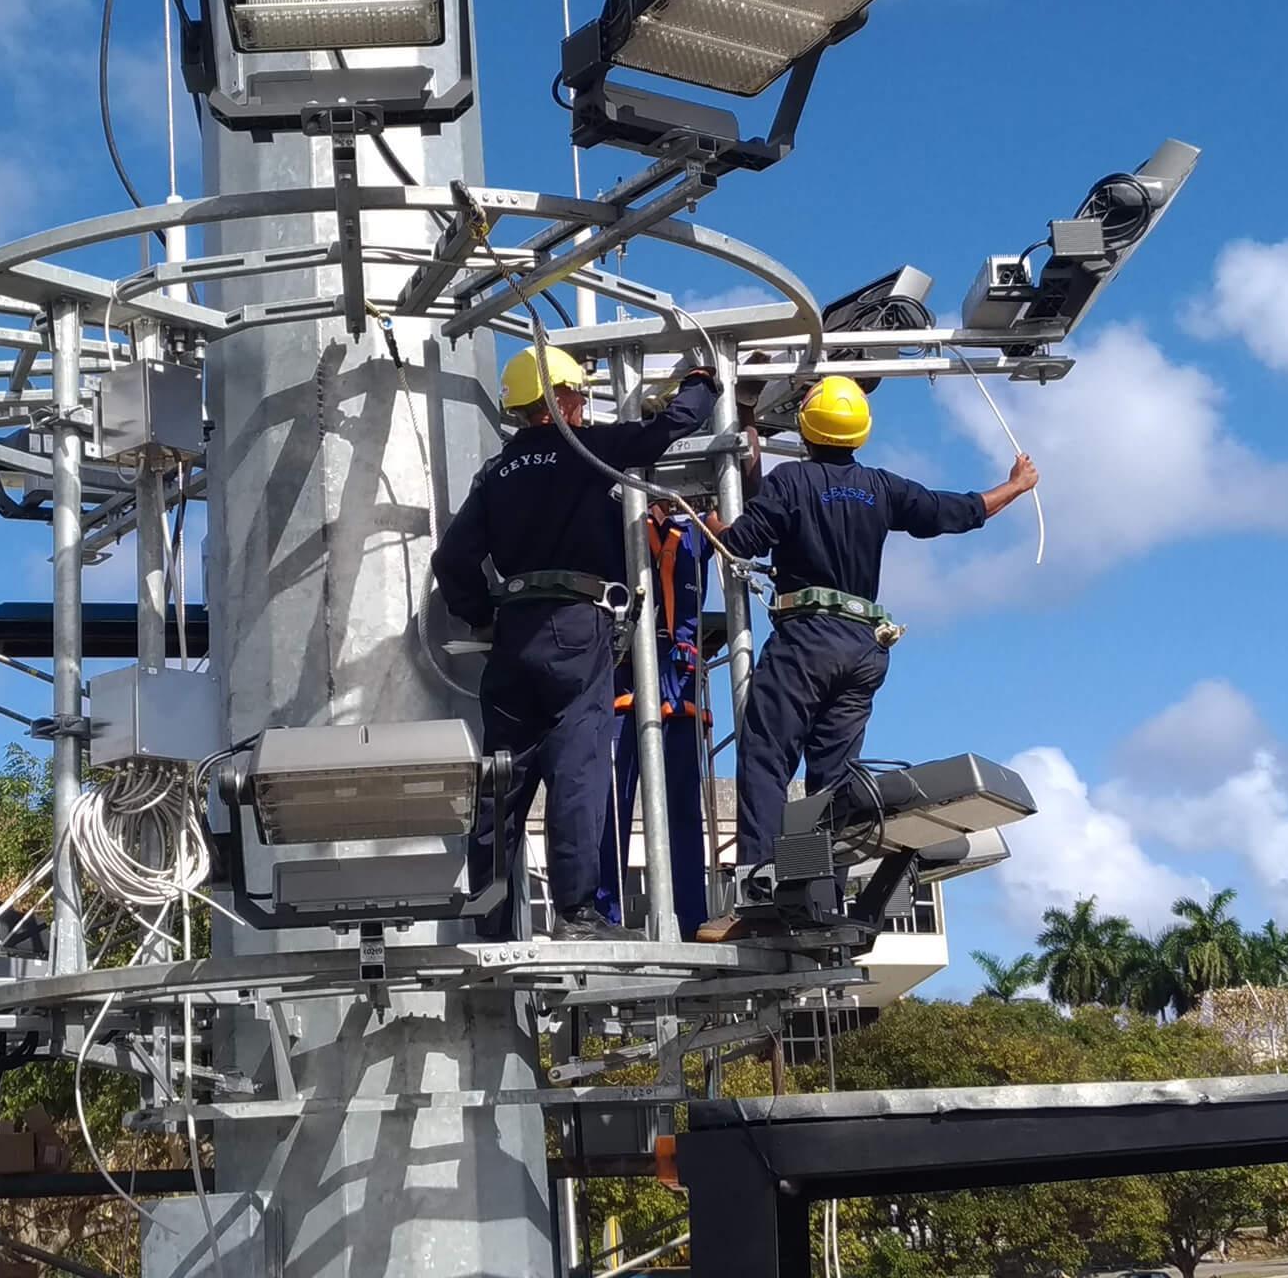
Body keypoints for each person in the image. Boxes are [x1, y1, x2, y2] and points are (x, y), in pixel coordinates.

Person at [694, 374, 1037, 942]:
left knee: (766, 760)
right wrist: (1016, 487)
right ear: (861, 433)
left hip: (808, 641)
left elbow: (744, 540)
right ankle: (817, 897)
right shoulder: (880, 487)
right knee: (831, 779)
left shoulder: (792, 481)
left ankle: (758, 900)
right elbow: (953, 511)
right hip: (865, 646)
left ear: (805, 429)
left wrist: (713, 526)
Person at [432, 344, 721, 941]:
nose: (584, 404)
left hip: (514, 632)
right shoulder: (590, 448)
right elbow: (674, 424)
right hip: (575, 624)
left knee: (502, 777)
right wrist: (703, 380)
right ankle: (577, 915)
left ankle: (485, 917)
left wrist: (482, 617)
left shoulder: (496, 474)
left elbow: (451, 558)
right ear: (560, 399)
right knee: (577, 769)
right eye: (578, 395)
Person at [597, 502, 712, 936]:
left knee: (682, 806)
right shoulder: (615, 517)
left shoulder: (697, 528)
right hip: (621, 666)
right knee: (611, 801)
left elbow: (745, 513)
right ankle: (603, 912)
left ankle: (691, 918)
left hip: (678, 671)